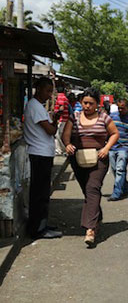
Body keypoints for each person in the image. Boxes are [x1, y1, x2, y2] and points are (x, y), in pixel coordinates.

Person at [62, 87, 119, 247]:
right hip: (78, 159)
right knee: (87, 190)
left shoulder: (104, 117)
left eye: (90, 103)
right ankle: (97, 217)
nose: (87, 106)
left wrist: (106, 148)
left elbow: (115, 133)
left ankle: (90, 229)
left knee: (93, 188)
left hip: (99, 159)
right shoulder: (74, 117)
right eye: (85, 103)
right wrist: (67, 145)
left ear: (97, 104)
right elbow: (65, 135)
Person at [23, 77, 63, 239]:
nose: (49, 95)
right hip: (39, 155)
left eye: (51, 91)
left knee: (42, 192)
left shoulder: (37, 106)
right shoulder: (35, 106)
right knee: (39, 194)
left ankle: (41, 224)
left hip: (41, 153)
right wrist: (56, 122)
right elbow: (50, 131)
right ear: (38, 89)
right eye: (47, 91)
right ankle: (37, 228)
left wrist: (53, 120)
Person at [108, 99, 128, 201]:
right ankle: (125, 187)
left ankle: (116, 193)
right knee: (115, 170)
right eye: (119, 108)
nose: (121, 110)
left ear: (127, 107)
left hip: (124, 148)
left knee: (120, 170)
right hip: (112, 147)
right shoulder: (112, 117)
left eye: (123, 108)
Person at [54, 86, 70, 155]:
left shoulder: (60, 97)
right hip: (65, 118)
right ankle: (61, 150)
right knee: (59, 135)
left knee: (59, 135)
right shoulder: (64, 97)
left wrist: (56, 116)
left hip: (62, 119)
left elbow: (61, 108)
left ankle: (62, 150)